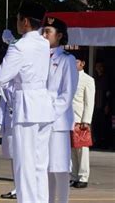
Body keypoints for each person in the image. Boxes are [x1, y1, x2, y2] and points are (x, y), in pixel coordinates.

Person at [0, 0, 54, 203]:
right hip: (43, 107)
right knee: (39, 163)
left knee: (24, 164)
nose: (17, 23)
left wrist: (7, 50)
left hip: (26, 107)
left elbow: (1, 77)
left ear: (25, 21)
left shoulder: (19, 47)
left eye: (18, 19)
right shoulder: (44, 43)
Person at [42, 17, 78, 203]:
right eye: (44, 30)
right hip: (39, 120)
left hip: (57, 121)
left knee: (60, 166)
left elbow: (67, 93)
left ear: (60, 36)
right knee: (45, 166)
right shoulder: (38, 56)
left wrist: (50, 113)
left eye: (48, 31)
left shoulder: (67, 60)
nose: (44, 34)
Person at [71, 54, 95, 189]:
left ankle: (83, 177)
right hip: (68, 119)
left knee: (82, 149)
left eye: (76, 62)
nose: (74, 64)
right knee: (72, 150)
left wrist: (86, 120)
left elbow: (89, 102)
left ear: (82, 63)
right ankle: (74, 176)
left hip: (80, 120)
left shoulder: (88, 80)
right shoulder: (68, 77)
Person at [0, 84, 17, 200]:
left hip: (22, 122)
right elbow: (2, 104)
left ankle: (22, 187)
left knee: (22, 159)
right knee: (13, 157)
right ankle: (16, 187)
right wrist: (0, 122)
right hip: (9, 122)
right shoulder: (7, 83)